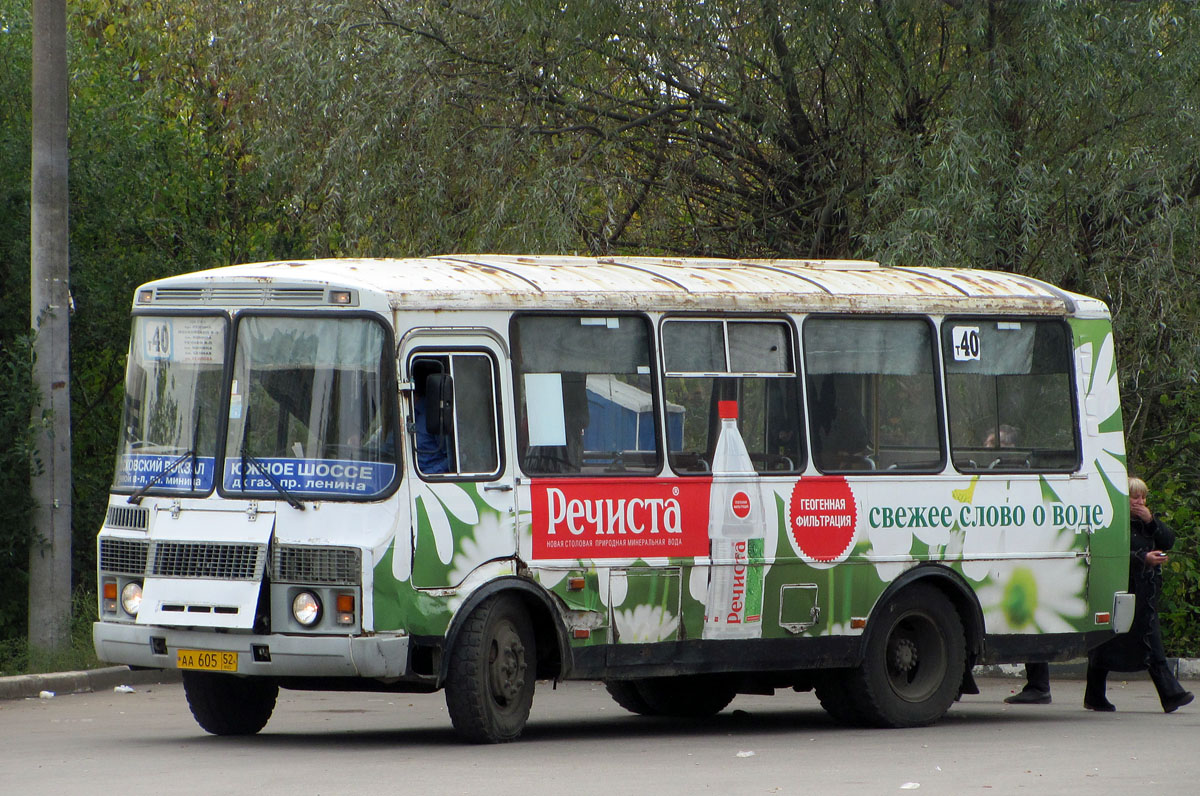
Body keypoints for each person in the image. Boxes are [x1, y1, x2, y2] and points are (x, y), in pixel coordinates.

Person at [1084, 477, 1193, 713]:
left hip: (1145, 590)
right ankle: (1169, 694)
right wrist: (1142, 559)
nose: (1141, 502)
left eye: (1143, 497)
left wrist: (1151, 520)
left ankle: (1170, 694)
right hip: (1121, 587)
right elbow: (1114, 552)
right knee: (1107, 640)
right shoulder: (1114, 521)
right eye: (1136, 497)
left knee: (1148, 637)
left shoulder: (1146, 522)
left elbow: (1168, 540)